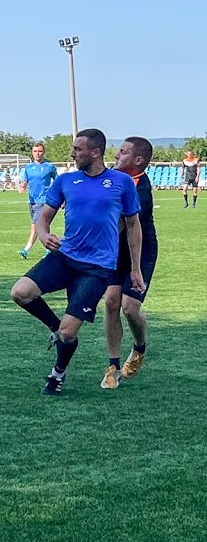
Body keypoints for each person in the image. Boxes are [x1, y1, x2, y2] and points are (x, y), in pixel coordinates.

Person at [10, 128, 144, 395]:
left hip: (97, 268)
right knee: (20, 292)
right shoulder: (66, 181)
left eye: (77, 149)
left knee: (70, 334)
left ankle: (57, 374)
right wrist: (45, 234)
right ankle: (53, 326)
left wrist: (135, 269)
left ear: (95, 152)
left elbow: (133, 225)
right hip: (65, 256)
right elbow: (43, 217)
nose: (72, 154)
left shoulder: (121, 182)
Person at [101, 137, 158, 389]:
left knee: (130, 308)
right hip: (116, 251)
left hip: (141, 252)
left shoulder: (141, 190)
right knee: (111, 301)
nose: (115, 155)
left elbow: (122, 224)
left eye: (122, 152)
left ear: (138, 160)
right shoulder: (110, 177)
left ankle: (139, 348)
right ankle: (112, 367)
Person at [18, 143, 58, 259]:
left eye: (40, 151)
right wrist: (23, 186)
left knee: (35, 226)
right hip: (32, 201)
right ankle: (49, 249)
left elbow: (57, 181)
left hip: (43, 200)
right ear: (32, 152)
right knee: (42, 225)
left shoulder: (49, 167)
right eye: (35, 151)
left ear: (43, 152)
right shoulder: (28, 168)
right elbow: (25, 181)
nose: (37, 153)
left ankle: (26, 249)